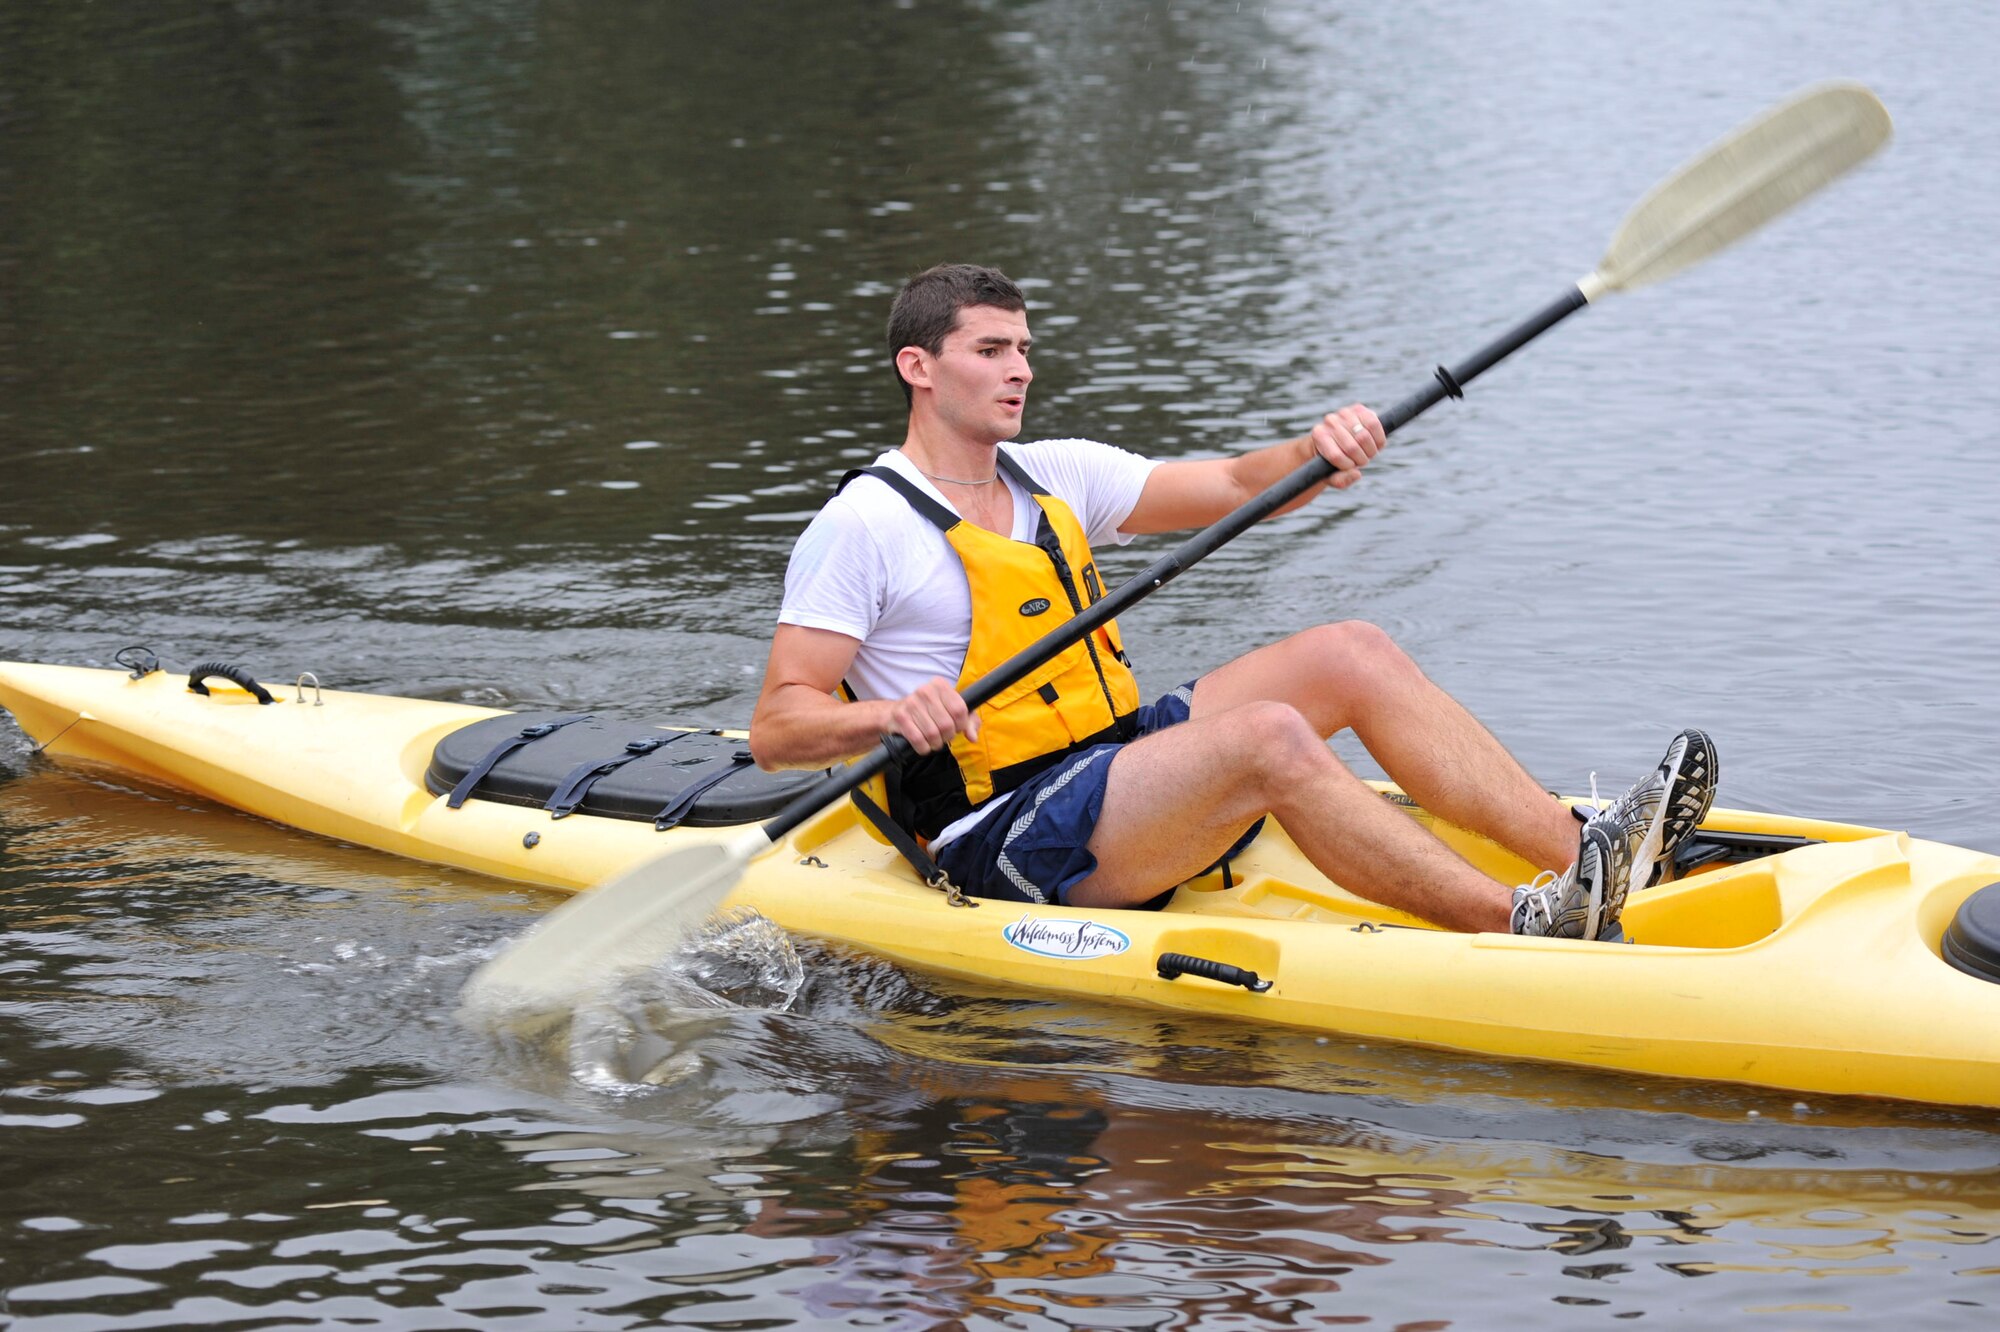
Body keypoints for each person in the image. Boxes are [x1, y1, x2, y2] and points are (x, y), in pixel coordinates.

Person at [749, 263, 1716, 939]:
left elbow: (1232, 485)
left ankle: (1591, 858)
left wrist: (1317, 450)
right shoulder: (866, 525)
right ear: (919, 368)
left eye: (1026, 348)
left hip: (1106, 760)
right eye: (992, 350)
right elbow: (779, 726)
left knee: (1351, 652)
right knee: (1269, 739)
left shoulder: (1055, 474)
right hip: (997, 829)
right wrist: (891, 713)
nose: (1021, 370)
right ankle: (1518, 922)